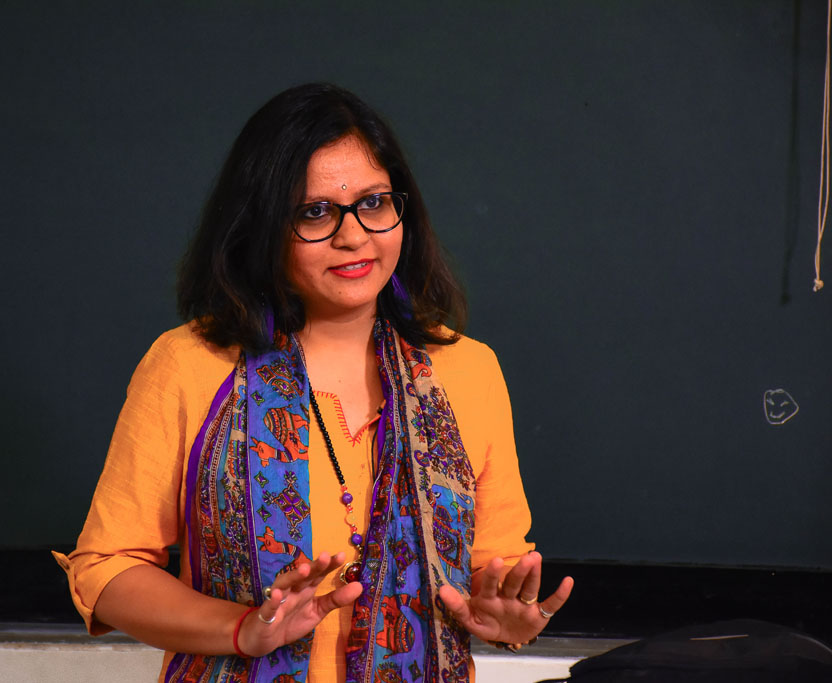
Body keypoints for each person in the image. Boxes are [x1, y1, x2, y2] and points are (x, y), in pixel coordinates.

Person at [54, 82, 573, 683]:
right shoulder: (190, 364)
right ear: (261, 225)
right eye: (315, 212)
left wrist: (507, 616)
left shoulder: (467, 370)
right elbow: (106, 568)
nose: (353, 235)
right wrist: (242, 629)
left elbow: (493, 568)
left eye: (374, 203)